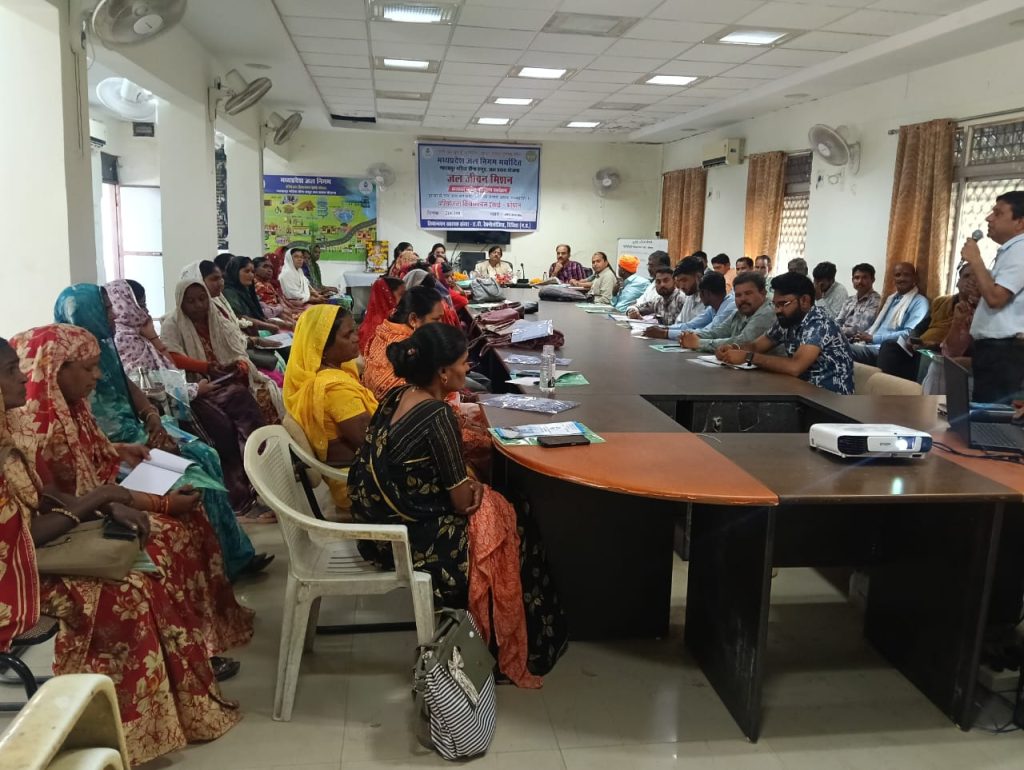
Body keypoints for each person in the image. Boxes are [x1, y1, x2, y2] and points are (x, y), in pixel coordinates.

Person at [0, 337, 244, 766]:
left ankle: (175, 695)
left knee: (145, 564)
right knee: (126, 593)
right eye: (8, 372)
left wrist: (105, 501)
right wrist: (101, 499)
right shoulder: (33, 424)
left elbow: (41, 495)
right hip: (13, 577)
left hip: (34, 553)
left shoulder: (10, 425)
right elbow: (23, 536)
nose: (23, 376)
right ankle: (123, 727)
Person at [7, 325, 254, 664]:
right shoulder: (42, 426)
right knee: (147, 566)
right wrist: (153, 502)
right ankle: (164, 670)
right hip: (25, 560)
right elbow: (52, 511)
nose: (98, 376)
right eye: (88, 367)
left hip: (67, 525)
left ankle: (196, 649)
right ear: (53, 369)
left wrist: (117, 453)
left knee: (181, 526)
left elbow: (53, 491)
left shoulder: (30, 421)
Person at [348, 323, 567, 682]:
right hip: (410, 540)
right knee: (515, 519)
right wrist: (475, 487)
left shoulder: (398, 396)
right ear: (442, 372)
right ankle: (518, 644)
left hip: (378, 526)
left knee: (505, 505)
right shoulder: (437, 416)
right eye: (464, 362)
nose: (468, 368)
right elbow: (462, 501)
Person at [55, 284, 271, 572]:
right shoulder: (64, 368)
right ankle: (219, 565)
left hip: (138, 433)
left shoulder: (104, 347)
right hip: (116, 454)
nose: (114, 315)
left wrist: (151, 418)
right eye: (107, 310)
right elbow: (93, 443)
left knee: (205, 452)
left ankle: (235, 554)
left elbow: (133, 387)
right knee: (197, 478)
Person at [106, 279, 271, 530]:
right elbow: (146, 383)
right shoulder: (123, 339)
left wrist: (154, 340)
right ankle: (244, 493)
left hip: (178, 398)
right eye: (140, 305)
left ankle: (259, 477)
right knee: (218, 435)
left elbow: (165, 368)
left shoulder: (138, 334)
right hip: (166, 408)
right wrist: (193, 388)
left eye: (145, 304)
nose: (146, 312)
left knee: (239, 398)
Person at [285, 305, 377, 512]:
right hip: (360, 485)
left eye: (355, 330)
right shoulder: (334, 389)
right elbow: (373, 441)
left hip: (361, 473)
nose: (356, 338)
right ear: (323, 348)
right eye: (347, 335)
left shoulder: (332, 376)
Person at [161, 279, 283, 424]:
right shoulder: (172, 323)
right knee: (240, 397)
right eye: (190, 301)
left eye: (202, 298)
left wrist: (239, 364)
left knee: (267, 392)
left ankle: (270, 435)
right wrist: (206, 367)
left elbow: (235, 347)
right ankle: (253, 438)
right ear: (180, 302)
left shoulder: (215, 317)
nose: (198, 305)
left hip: (224, 375)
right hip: (197, 383)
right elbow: (170, 356)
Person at [717, 272, 855, 395]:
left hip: (828, 400)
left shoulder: (819, 323)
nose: (778, 310)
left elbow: (795, 366)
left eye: (783, 303)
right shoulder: (788, 320)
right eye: (776, 305)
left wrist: (748, 357)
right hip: (800, 391)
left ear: (804, 300)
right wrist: (733, 349)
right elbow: (756, 346)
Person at [960, 190, 1024, 403]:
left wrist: (976, 260)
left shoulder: (1021, 249)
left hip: (1004, 351)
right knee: (983, 413)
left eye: (998, 213)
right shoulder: (1011, 250)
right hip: (995, 350)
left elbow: (996, 299)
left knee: (992, 417)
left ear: (1020, 222)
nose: (989, 218)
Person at [878, 264, 979, 382]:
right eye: (966, 276)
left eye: (976, 278)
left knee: (927, 356)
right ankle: (885, 386)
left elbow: (960, 349)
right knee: (889, 346)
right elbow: (921, 327)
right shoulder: (942, 302)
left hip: (936, 353)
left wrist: (931, 345)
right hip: (918, 349)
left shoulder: (981, 310)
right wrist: (912, 339)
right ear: (958, 282)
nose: (971, 281)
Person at [362, 286, 444, 399]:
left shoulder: (385, 330)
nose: (441, 324)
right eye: (436, 319)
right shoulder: (412, 347)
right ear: (413, 319)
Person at [849, 262, 928, 365]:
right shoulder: (891, 299)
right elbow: (877, 327)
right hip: (870, 345)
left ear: (915, 278)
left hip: (886, 351)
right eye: (898, 275)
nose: (901, 278)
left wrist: (873, 338)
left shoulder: (920, 302)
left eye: (906, 275)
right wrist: (863, 336)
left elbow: (909, 334)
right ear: (893, 279)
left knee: (841, 350)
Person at [678, 272, 775, 352]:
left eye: (748, 293)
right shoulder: (739, 313)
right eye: (738, 295)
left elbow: (742, 342)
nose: (743, 299)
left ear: (763, 293)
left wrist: (698, 343)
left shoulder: (767, 312)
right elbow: (717, 332)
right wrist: (690, 336)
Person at [645, 270, 736, 340]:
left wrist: (665, 333)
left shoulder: (730, 306)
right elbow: (691, 325)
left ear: (706, 293)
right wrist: (665, 329)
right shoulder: (713, 307)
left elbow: (708, 332)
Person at [224, 255, 293, 334]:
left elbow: (258, 315)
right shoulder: (229, 292)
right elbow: (241, 318)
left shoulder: (246, 290)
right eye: (247, 271)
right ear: (235, 272)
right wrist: (270, 326)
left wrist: (272, 323)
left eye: (252, 272)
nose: (251, 275)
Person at [359, 276, 405, 356]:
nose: (405, 298)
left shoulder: (371, 318)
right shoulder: (382, 323)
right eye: (401, 294)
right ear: (388, 296)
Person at [836, 263, 882, 340]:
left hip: (859, 341)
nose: (860, 281)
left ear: (873, 280)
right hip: (840, 337)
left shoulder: (876, 301)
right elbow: (838, 321)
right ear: (852, 280)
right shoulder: (849, 300)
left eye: (864, 278)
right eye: (857, 278)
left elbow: (862, 328)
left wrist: (836, 330)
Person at [252, 256, 300, 324]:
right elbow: (269, 308)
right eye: (265, 267)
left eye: (271, 267)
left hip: (281, 312)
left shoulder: (267, 284)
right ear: (254, 269)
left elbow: (280, 300)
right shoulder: (256, 285)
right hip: (272, 315)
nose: (270, 270)